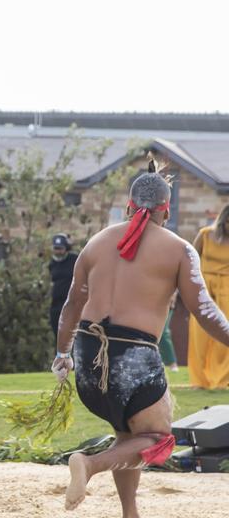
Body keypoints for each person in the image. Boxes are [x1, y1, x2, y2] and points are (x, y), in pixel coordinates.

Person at [54, 163, 229, 516]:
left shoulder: (96, 242)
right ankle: (90, 466)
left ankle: (129, 512)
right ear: (165, 208)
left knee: (128, 435)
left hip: (88, 356)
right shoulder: (179, 249)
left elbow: (72, 305)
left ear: (131, 205)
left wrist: (62, 354)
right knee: (158, 438)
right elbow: (204, 311)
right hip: (132, 359)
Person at [188, 204, 229, 388]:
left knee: (225, 333)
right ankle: (199, 380)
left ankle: (222, 379)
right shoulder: (205, 234)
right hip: (204, 287)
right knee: (199, 333)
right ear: (223, 220)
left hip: (227, 288)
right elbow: (191, 258)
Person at [49, 233, 78, 336]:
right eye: (55, 248)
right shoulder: (52, 263)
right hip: (56, 305)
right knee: (57, 335)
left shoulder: (75, 260)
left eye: (60, 248)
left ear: (66, 248)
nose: (58, 251)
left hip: (72, 304)